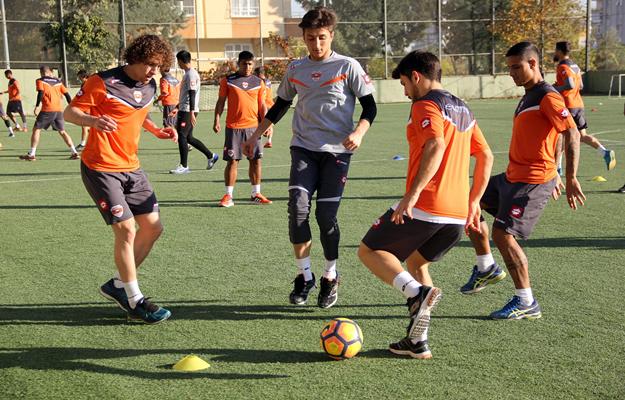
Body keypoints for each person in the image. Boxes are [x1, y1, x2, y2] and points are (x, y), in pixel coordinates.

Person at [357, 51, 493, 359]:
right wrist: (473, 203)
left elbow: (435, 143)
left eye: (404, 83)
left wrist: (413, 194)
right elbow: (486, 156)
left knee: (369, 251)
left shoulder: (425, 104)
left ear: (416, 76)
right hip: (457, 214)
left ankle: (415, 293)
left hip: (428, 204)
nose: (405, 91)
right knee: (417, 264)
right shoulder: (463, 109)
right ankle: (418, 340)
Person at [243, 6, 377, 309]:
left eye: (321, 38)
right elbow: (280, 105)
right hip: (303, 148)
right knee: (298, 210)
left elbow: (370, 107)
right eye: (310, 38)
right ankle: (305, 276)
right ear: (303, 37)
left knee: (325, 217)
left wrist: (359, 133)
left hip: (337, 153)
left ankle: (330, 276)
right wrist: (255, 134)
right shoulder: (295, 69)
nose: (316, 44)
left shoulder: (348, 66)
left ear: (331, 36)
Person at [461, 41, 586, 320]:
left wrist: (568, 176)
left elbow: (571, 133)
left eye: (517, 67)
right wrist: (555, 168)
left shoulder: (547, 96)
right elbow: (552, 136)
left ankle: (526, 301)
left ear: (533, 64)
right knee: (469, 203)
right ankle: (486, 268)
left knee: (502, 234)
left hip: (531, 181)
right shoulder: (528, 95)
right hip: (512, 176)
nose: (512, 73)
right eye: (509, 68)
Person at [64, 34, 177, 324]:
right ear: (135, 58)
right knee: (126, 229)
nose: (155, 71)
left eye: (160, 66)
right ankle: (135, 300)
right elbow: (70, 112)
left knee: (153, 228)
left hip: (132, 167)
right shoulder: (101, 82)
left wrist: (156, 130)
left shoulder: (150, 85)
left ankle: (117, 285)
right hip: (101, 167)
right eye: (151, 64)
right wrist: (93, 120)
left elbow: (137, 115)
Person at [213, 51, 272, 207]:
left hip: (254, 128)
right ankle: (228, 196)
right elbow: (220, 102)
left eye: (250, 64)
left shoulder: (259, 82)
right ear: (238, 63)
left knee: (256, 161)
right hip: (234, 127)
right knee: (232, 161)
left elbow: (262, 105)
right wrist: (217, 119)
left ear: (253, 65)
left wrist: (267, 124)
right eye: (244, 63)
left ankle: (256, 193)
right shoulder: (228, 81)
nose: (247, 67)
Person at [553, 41, 615, 172]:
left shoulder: (562, 66)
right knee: (581, 136)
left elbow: (569, 85)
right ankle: (605, 153)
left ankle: (557, 168)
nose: (554, 52)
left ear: (559, 51)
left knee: (561, 137)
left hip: (568, 106)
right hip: (578, 105)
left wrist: (555, 88)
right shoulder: (575, 66)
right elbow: (580, 86)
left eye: (555, 50)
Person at [169, 50, 219, 174]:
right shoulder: (187, 74)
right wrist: (177, 107)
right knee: (189, 137)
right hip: (184, 108)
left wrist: (191, 112)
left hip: (187, 110)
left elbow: (192, 93)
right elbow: (186, 94)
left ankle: (184, 166)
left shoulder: (191, 74)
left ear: (180, 61)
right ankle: (211, 156)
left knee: (181, 135)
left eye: (178, 61)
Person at [18, 65, 78, 161]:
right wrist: (71, 106)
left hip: (47, 110)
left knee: (36, 129)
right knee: (62, 131)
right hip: (58, 110)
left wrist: (37, 106)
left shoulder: (40, 80)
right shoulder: (58, 82)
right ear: (50, 72)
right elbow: (67, 95)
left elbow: (40, 93)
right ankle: (74, 152)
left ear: (42, 72)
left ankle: (32, 154)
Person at [254, 66, 275, 148]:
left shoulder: (259, 82)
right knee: (270, 124)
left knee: (259, 124)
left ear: (259, 74)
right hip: (271, 105)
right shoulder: (268, 81)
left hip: (263, 106)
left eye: (255, 74)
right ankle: (269, 141)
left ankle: (257, 140)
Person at [75, 69, 90, 152]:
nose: (79, 79)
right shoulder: (85, 84)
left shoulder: (87, 84)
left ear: (83, 76)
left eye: (80, 77)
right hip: (87, 107)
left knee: (84, 126)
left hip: (88, 108)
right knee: (89, 127)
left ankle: (83, 144)